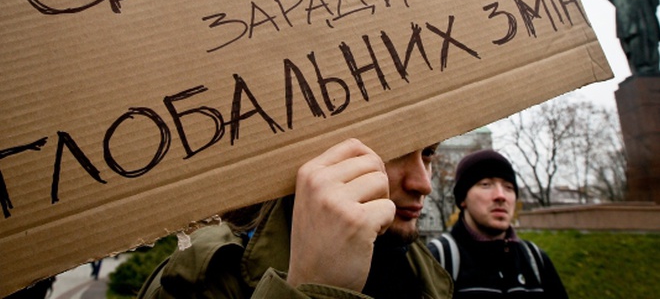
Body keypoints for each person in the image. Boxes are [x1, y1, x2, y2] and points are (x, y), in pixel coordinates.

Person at [138, 138, 453, 298]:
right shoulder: (205, 275)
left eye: (428, 152)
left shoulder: (424, 270)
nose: (423, 182)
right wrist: (313, 289)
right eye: (394, 151)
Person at [428, 149, 568, 298]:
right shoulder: (438, 260)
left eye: (509, 187)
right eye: (486, 184)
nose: (501, 196)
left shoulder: (536, 261)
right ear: (463, 199)